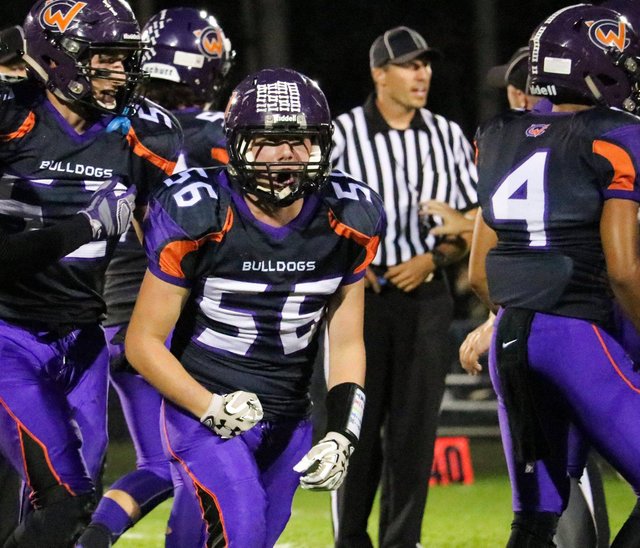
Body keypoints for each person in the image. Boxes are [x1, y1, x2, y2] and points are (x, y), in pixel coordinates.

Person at [124, 67, 386, 547]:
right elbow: (141, 342)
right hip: (202, 407)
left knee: (222, 536)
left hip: (289, 416)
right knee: (239, 532)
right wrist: (209, 406)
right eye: (268, 140)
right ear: (238, 144)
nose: (287, 154)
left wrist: (344, 433)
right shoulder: (200, 210)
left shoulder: (349, 218)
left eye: (301, 140)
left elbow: (347, 342)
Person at [0, 0, 181, 544]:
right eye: (105, 58)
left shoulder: (144, 132)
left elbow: (175, 247)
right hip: (7, 330)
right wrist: (84, 227)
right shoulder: (12, 117)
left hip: (82, 337)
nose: (120, 73)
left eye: (125, 60)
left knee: (71, 509)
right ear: (56, 59)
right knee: (65, 495)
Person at [469, 4, 640, 545]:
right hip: (577, 332)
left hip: (511, 335)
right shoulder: (616, 135)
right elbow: (624, 270)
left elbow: (478, 273)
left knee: (536, 515)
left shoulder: (497, 134)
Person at [77, 8, 235, 547]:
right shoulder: (215, 138)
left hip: (110, 320)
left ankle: (89, 538)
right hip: (171, 326)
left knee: (159, 466)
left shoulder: (117, 130)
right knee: (198, 469)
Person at [330, 26, 478, 547]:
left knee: (414, 433)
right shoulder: (340, 134)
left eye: (426, 64)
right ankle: (349, 539)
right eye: (410, 65)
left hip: (426, 298)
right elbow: (312, 215)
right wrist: (349, 261)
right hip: (357, 300)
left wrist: (433, 258)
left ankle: (401, 541)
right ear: (379, 73)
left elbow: (469, 224)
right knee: (355, 428)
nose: (423, 74)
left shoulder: (447, 135)